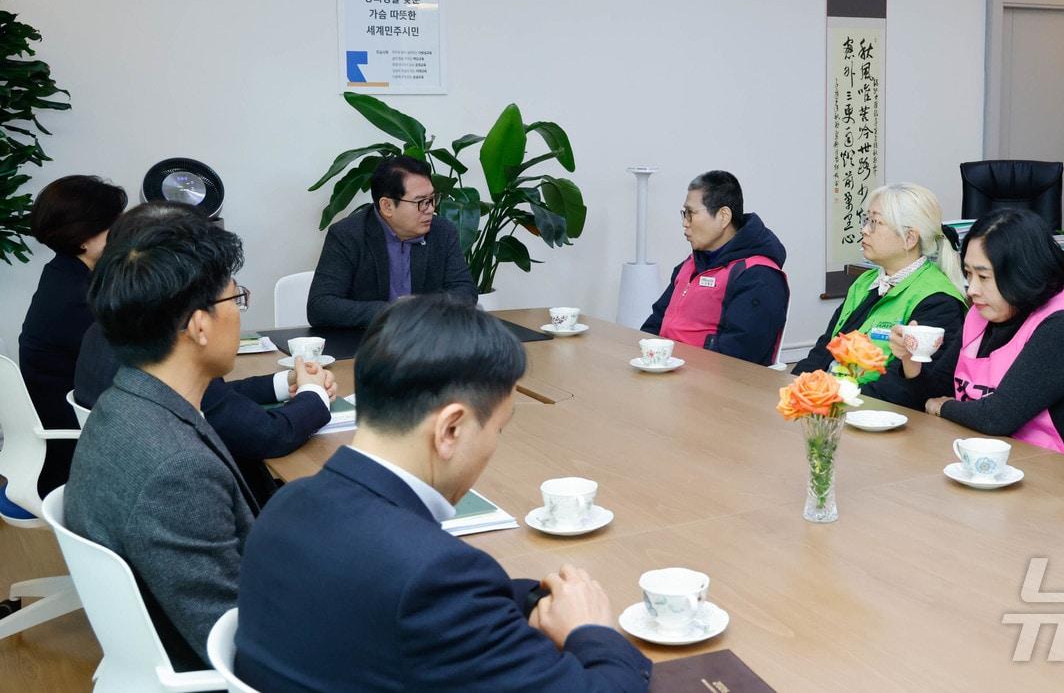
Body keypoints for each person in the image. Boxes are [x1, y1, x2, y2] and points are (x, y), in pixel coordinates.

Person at [236, 295, 653, 691]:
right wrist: (590, 629)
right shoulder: (432, 576)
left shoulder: (286, 504)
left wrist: (532, 598)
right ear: (450, 429)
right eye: (498, 428)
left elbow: (422, 598)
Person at [64, 213, 263, 670]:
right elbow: (236, 645)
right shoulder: (176, 469)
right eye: (235, 298)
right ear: (199, 326)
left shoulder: (123, 403)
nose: (239, 312)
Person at [72, 201, 335, 505]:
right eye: (235, 299)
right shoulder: (184, 469)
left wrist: (283, 383)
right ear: (199, 325)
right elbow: (267, 435)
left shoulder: (119, 342)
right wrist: (315, 393)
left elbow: (213, 399)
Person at [922, 208, 1064, 453]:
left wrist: (942, 408)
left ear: (1023, 273)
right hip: (993, 455)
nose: (972, 289)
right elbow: (937, 388)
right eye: (968, 273)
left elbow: (996, 417)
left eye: (984, 277)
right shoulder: (983, 312)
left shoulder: (1063, 327)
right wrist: (911, 361)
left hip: (1062, 468)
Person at [791, 183, 966, 409]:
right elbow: (826, 346)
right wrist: (797, 384)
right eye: (866, 220)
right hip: (834, 404)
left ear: (909, 238)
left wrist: (829, 401)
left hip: (872, 412)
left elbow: (904, 389)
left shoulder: (938, 300)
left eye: (875, 222)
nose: (864, 230)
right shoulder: (866, 282)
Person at [17, 175, 127, 493]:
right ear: (83, 239)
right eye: (115, 225)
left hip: (80, 426)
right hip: (77, 453)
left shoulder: (64, 273)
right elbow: (134, 367)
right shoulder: (77, 299)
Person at [307, 155, 477, 327]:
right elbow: (320, 306)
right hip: (367, 338)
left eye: (432, 199)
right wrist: (392, 312)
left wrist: (421, 308)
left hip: (426, 337)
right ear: (387, 206)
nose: (430, 208)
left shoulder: (442, 231)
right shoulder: (348, 235)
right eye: (421, 202)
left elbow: (465, 291)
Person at [642, 170, 788, 365]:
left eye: (691, 213)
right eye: (684, 214)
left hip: (711, 378)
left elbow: (739, 356)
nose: (685, 223)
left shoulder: (758, 276)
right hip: (668, 370)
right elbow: (655, 322)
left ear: (723, 216)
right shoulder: (690, 265)